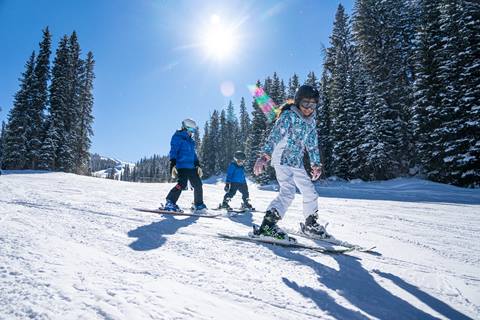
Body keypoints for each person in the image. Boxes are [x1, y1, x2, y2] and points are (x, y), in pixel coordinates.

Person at [253, 85, 326, 240]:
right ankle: (268, 225)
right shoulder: (288, 116)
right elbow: (274, 136)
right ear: (298, 101)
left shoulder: (311, 122)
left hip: (296, 160)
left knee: (310, 192)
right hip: (282, 155)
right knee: (288, 192)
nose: (308, 108)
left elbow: (312, 145)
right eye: (306, 103)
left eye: (312, 105)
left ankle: (310, 224)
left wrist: (315, 164)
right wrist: (265, 156)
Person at [163, 118, 207, 212]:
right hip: (181, 166)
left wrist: (197, 164)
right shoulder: (178, 137)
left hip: (191, 167)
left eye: (193, 131)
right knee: (182, 184)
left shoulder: (191, 141)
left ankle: (198, 204)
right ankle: (170, 202)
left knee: (198, 184)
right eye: (190, 130)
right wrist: (173, 163)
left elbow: (193, 154)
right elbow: (173, 151)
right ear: (184, 127)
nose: (192, 132)